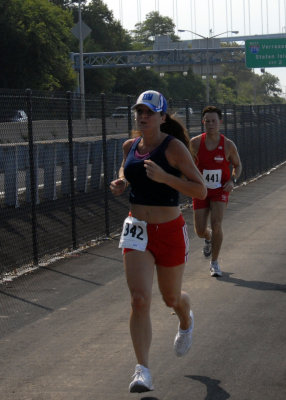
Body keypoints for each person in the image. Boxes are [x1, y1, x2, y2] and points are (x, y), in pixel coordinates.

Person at [110, 90, 207, 393]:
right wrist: (122, 180)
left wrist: (166, 178)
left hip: (168, 230)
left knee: (170, 298)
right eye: (140, 111)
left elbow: (200, 190)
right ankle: (143, 370)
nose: (143, 116)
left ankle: (185, 317)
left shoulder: (174, 147)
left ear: (163, 117)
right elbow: (127, 166)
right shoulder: (130, 145)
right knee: (139, 299)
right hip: (137, 229)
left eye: (150, 112)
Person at [190, 105, 242, 277]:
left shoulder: (228, 145)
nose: (210, 124)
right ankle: (208, 237)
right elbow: (187, 165)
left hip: (220, 189)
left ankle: (214, 262)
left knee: (217, 224)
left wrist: (232, 180)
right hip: (201, 190)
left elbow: (238, 165)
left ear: (220, 122)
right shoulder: (195, 143)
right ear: (203, 122)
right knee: (199, 230)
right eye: (207, 121)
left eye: (214, 121)